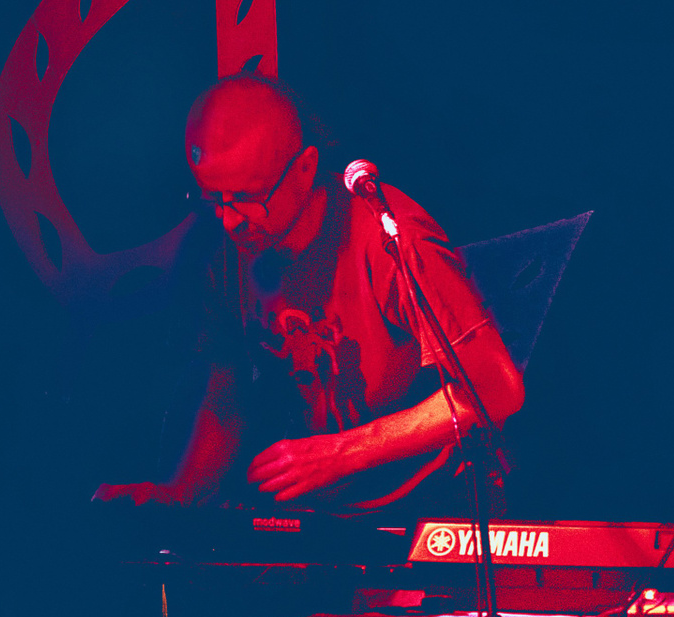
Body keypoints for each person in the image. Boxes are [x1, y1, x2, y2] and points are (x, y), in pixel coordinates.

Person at [94, 73, 524, 517]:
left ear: (305, 167)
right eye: (213, 198)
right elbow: (224, 393)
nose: (230, 220)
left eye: (247, 197)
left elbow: (497, 388)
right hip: (318, 520)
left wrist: (342, 453)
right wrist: (182, 495)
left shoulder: (391, 237)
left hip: (430, 509)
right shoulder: (225, 250)